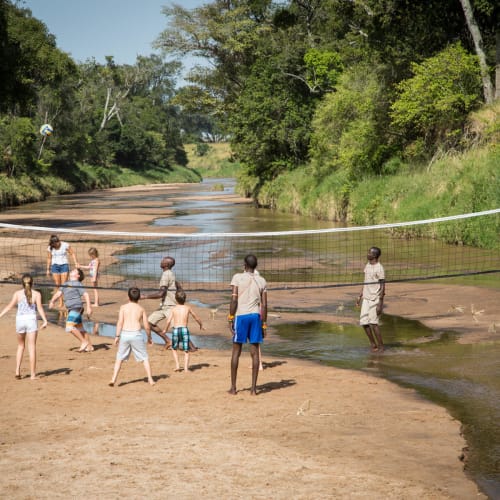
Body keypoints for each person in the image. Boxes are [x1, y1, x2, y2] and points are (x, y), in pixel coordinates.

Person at [228, 254, 267, 396]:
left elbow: (233, 300)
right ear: (256, 266)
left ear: (244, 265)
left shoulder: (237, 278)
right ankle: (253, 389)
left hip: (241, 316)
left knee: (236, 352)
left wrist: (230, 317)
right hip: (256, 317)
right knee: (255, 353)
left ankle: (233, 388)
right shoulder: (262, 280)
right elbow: (264, 305)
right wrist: (264, 324)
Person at [141, 256, 197, 351]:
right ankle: (168, 341)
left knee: (178, 327)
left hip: (170, 306)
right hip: (164, 306)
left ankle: (192, 348)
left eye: (163, 261)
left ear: (166, 264)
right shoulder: (169, 274)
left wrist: (144, 296)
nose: (161, 261)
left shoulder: (166, 275)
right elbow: (177, 286)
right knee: (149, 322)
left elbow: (161, 293)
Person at [0, 274, 48, 380]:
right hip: (31, 320)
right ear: (32, 283)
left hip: (20, 320)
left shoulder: (17, 293)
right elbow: (40, 308)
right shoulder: (36, 294)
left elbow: (9, 306)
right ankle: (32, 375)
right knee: (32, 347)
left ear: (22, 283)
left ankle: (17, 370)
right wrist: (45, 320)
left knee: (21, 346)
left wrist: (0, 315)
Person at [109, 287, 155, 387]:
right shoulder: (141, 309)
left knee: (119, 358)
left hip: (125, 334)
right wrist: (149, 337)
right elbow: (147, 326)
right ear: (139, 298)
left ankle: (113, 379)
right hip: (136, 334)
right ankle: (150, 379)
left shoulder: (123, 307)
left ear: (128, 297)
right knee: (144, 358)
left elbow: (120, 322)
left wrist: (117, 336)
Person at [49, 268, 94, 352]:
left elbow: (86, 294)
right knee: (80, 328)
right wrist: (52, 301)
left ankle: (84, 342)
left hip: (77, 307)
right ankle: (90, 346)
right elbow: (58, 294)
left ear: (78, 275)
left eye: (74, 271)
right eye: (72, 270)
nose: (72, 270)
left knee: (69, 327)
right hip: (71, 309)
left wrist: (89, 307)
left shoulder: (78, 284)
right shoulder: (65, 284)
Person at [163, 290, 204, 373]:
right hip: (184, 329)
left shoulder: (174, 309)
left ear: (176, 299)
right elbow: (196, 317)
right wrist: (201, 325)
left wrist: (165, 329)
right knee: (186, 350)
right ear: (185, 299)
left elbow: (168, 321)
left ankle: (177, 366)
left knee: (174, 349)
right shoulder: (187, 308)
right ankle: (185, 368)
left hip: (176, 329)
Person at [356, 246, 386, 352]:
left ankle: (381, 347)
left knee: (374, 323)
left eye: (369, 252)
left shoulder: (379, 268)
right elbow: (365, 281)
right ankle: (373, 345)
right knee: (364, 322)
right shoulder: (368, 265)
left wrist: (380, 303)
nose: (367, 254)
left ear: (374, 255)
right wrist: (360, 295)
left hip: (375, 299)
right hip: (366, 298)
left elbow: (383, 285)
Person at [46, 234, 78, 306]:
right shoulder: (50, 248)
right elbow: (49, 258)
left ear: (58, 241)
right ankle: (61, 301)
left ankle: (66, 300)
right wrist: (47, 269)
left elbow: (72, 253)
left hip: (64, 265)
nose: (57, 244)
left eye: (57, 242)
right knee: (57, 284)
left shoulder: (65, 245)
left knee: (64, 285)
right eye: (55, 244)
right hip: (55, 266)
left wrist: (76, 262)